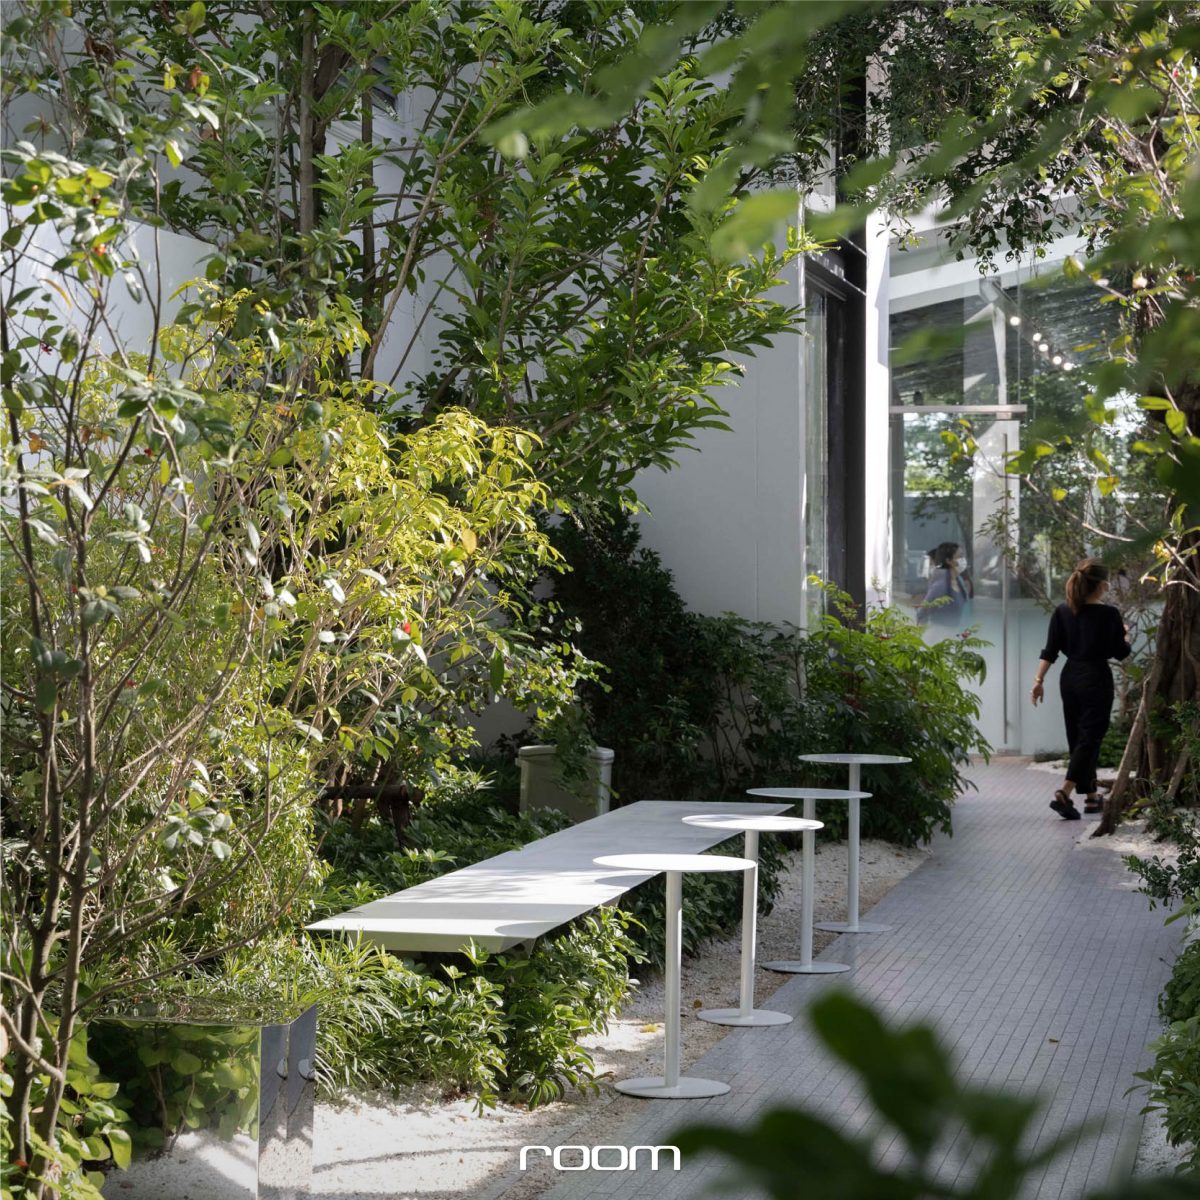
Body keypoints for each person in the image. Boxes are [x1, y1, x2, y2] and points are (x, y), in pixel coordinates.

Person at [1031, 558, 1131, 819]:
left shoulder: (1063, 611)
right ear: (1101, 584)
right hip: (1096, 678)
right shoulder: (1109, 614)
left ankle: (1091, 797)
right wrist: (1125, 635)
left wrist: (1038, 681)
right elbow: (1121, 653)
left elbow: (1050, 650)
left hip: (1070, 678)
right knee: (1090, 737)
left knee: (1078, 737)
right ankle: (1064, 792)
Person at [916, 542, 973, 626]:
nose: (963, 560)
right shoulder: (940, 586)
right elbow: (922, 613)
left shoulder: (959, 581)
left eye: (963, 556)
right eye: (960, 556)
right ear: (948, 561)